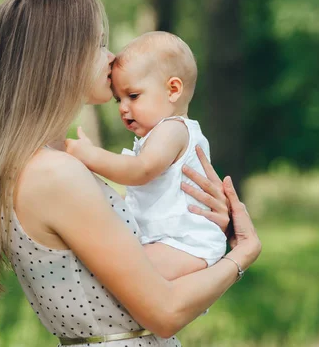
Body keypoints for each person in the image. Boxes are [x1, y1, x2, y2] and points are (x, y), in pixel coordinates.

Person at [0, 0, 261, 347]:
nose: (112, 56)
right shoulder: (55, 173)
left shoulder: (33, 166)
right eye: (99, 44)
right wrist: (242, 253)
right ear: (59, 58)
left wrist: (190, 223)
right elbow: (165, 313)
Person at [66, 31, 225, 281]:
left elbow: (140, 170)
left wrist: (89, 155)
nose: (123, 108)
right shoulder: (159, 134)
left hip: (185, 244)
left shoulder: (174, 129)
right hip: (166, 240)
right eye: (118, 99)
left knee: (125, 276)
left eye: (133, 96)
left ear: (173, 89)